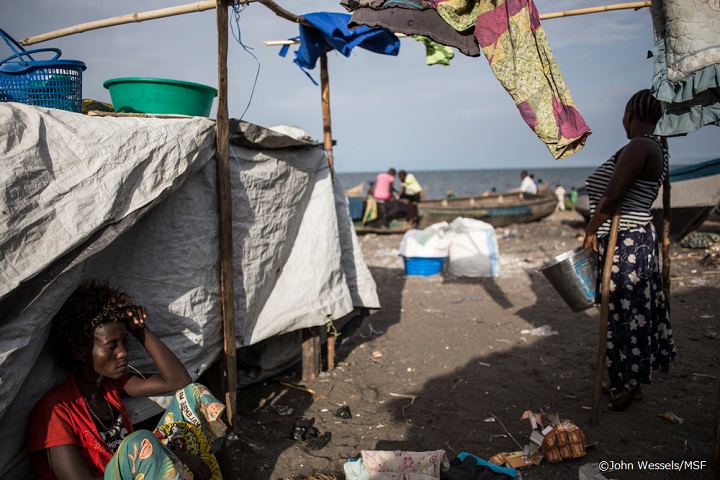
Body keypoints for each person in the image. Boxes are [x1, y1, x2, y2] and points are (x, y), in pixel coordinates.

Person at [27, 280, 232, 479]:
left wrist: (139, 329)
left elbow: (179, 381)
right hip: (134, 467)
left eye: (124, 342)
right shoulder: (54, 412)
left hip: (144, 467)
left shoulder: (110, 387)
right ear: (80, 351)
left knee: (196, 395)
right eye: (111, 345)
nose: (123, 352)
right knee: (140, 442)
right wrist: (174, 457)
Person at [582, 89, 676, 411]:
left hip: (628, 243)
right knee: (632, 312)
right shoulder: (657, 145)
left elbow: (612, 196)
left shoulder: (640, 145)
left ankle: (622, 385)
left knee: (622, 312)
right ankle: (629, 381)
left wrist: (591, 229)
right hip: (635, 239)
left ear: (630, 115)